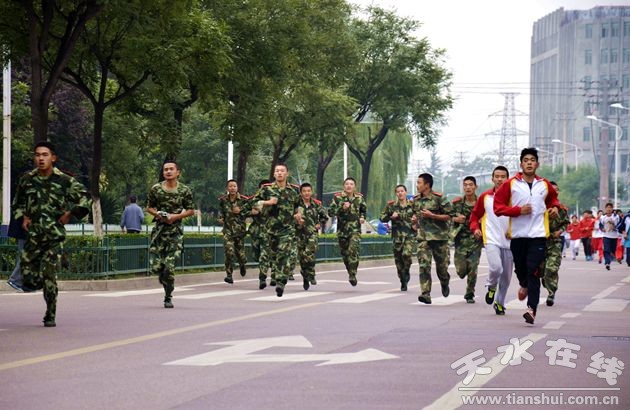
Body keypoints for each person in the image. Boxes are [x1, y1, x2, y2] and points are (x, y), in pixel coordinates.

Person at [12, 142, 91, 327]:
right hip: (33, 236)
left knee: (49, 274)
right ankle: (42, 285)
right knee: (27, 277)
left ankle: (50, 313)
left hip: (54, 236)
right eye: (38, 155)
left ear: (53, 158)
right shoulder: (27, 180)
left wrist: (70, 213)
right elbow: (17, 203)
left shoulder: (64, 180)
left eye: (45, 155)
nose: (41, 158)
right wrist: (23, 216)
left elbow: (85, 197)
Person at [494, 147, 561, 325]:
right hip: (518, 236)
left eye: (532, 160)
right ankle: (524, 284)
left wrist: (555, 208)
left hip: (538, 235)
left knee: (534, 270)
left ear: (537, 164)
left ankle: (532, 309)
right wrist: (518, 211)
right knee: (521, 269)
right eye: (526, 160)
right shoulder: (510, 184)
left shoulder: (544, 184)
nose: (529, 163)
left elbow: (554, 200)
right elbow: (498, 208)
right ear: (521, 164)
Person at [146, 160, 195, 308]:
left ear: (177, 172)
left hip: (175, 234)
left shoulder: (184, 190)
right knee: (157, 267)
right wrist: (159, 215)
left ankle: (168, 296)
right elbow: (149, 207)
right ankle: (162, 275)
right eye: (165, 169)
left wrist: (175, 217)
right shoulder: (156, 189)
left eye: (171, 169)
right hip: (159, 233)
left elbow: (190, 210)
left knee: (169, 267)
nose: (168, 171)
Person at [249, 163, 301, 296]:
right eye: (277, 171)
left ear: (287, 173)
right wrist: (267, 202)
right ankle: (269, 277)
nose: (279, 173)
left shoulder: (294, 190)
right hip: (269, 229)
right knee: (272, 256)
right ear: (274, 174)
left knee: (283, 254)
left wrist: (298, 215)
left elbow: (299, 206)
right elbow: (253, 203)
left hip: (287, 229)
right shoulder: (266, 189)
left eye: (282, 171)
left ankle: (280, 282)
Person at [470, 166, 513, 316]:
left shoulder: (514, 197)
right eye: (497, 176)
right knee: (496, 268)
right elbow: (475, 216)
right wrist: (475, 228)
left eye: (503, 176)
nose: (500, 179)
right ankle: (491, 285)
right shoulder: (486, 197)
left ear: (508, 179)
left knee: (506, 277)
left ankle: (499, 303)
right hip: (491, 239)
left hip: (510, 242)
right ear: (492, 179)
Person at [412, 173, 454, 304]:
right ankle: (425, 293)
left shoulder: (439, 198)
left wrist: (433, 216)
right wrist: (414, 221)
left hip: (439, 238)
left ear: (427, 185)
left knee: (442, 268)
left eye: (419, 183)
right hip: (423, 238)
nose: (417, 185)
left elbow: (450, 215)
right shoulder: (416, 200)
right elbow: (415, 215)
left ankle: (444, 281)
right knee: (424, 265)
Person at [328, 177, 367, 287]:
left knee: (353, 250)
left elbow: (363, 211)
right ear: (344, 186)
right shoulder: (337, 198)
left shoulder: (359, 198)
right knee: (345, 254)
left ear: (354, 187)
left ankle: (353, 274)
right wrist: (342, 208)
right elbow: (331, 212)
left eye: (351, 184)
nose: (349, 186)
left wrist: (362, 217)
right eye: (347, 184)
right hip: (342, 231)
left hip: (355, 230)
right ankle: (350, 271)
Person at [451, 176, 483, 303]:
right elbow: (448, 216)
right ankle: (462, 273)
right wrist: (455, 219)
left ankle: (470, 293)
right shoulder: (457, 203)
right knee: (461, 271)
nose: (468, 187)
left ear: (475, 187)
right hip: (460, 240)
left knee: (473, 268)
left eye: (470, 185)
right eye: (465, 185)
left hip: (476, 239)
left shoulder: (482, 202)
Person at [380, 185, 416, 291]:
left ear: (406, 192)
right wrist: (391, 216)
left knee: (406, 255)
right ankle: (403, 280)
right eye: (398, 191)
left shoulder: (413, 205)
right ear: (396, 193)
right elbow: (382, 218)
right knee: (399, 261)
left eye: (402, 191)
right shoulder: (391, 206)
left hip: (409, 235)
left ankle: (407, 271)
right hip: (397, 237)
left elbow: (421, 216)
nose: (400, 193)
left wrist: (416, 220)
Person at [541, 181, 569, 307]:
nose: (555, 192)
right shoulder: (540, 206)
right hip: (540, 242)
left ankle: (551, 294)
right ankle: (545, 279)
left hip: (555, 242)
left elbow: (566, 223)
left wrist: (560, 231)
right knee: (542, 269)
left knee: (552, 268)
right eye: (552, 189)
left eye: (557, 190)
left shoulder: (562, 209)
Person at [295, 183, 328, 290]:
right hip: (299, 234)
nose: (306, 193)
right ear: (301, 193)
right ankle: (305, 275)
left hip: (312, 233)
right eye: (304, 191)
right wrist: (296, 219)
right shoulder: (295, 204)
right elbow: (287, 216)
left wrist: (319, 224)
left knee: (309, 254)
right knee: (302, 257)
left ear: (311, 192)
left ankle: (311, 273)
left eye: (308, 191)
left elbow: (325, 217)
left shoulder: (316, 204)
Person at [218, 179, 249, 284]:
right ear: (227, 188)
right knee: (229, 252)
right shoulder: (223, 200)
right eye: (230, 186)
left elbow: (250, 211)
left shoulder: (243, 200)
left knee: (241, 255)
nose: (232, 188)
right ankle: (229, 275)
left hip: (239, 231)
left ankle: (242, 264)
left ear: (237, 188)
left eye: (234, 186)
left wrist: (241, 211)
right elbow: (221, 212)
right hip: (228, 231)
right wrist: (221, 218)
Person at [247, 179, 271, 288]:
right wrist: (251, 212)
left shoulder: (274, 201)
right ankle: (267, 266)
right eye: (262, 188)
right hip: (256, 232)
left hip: (269, 232)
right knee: (256, 255)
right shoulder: (253, 200)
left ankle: (262, 278)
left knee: (264, 256)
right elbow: (242, 211)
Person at [6, 215, 27, 292]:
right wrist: (26, 219)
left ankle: (21, 282)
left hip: (24, 228)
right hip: (25, 228)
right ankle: (15, 280)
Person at [599, 202, 620, 271]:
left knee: (613, 250)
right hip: (606, 236)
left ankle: (611, 258)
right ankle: (607, 263)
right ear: (605, 208)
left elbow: (620, 224)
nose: (609, 209)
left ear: (612, 209)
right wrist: (602, 228)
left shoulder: (616, 217)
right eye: (607, 207)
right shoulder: (603, 217)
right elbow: (600, 225)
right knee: (606, 249)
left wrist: (615, 227)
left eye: (610, 207)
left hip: (614, 236)